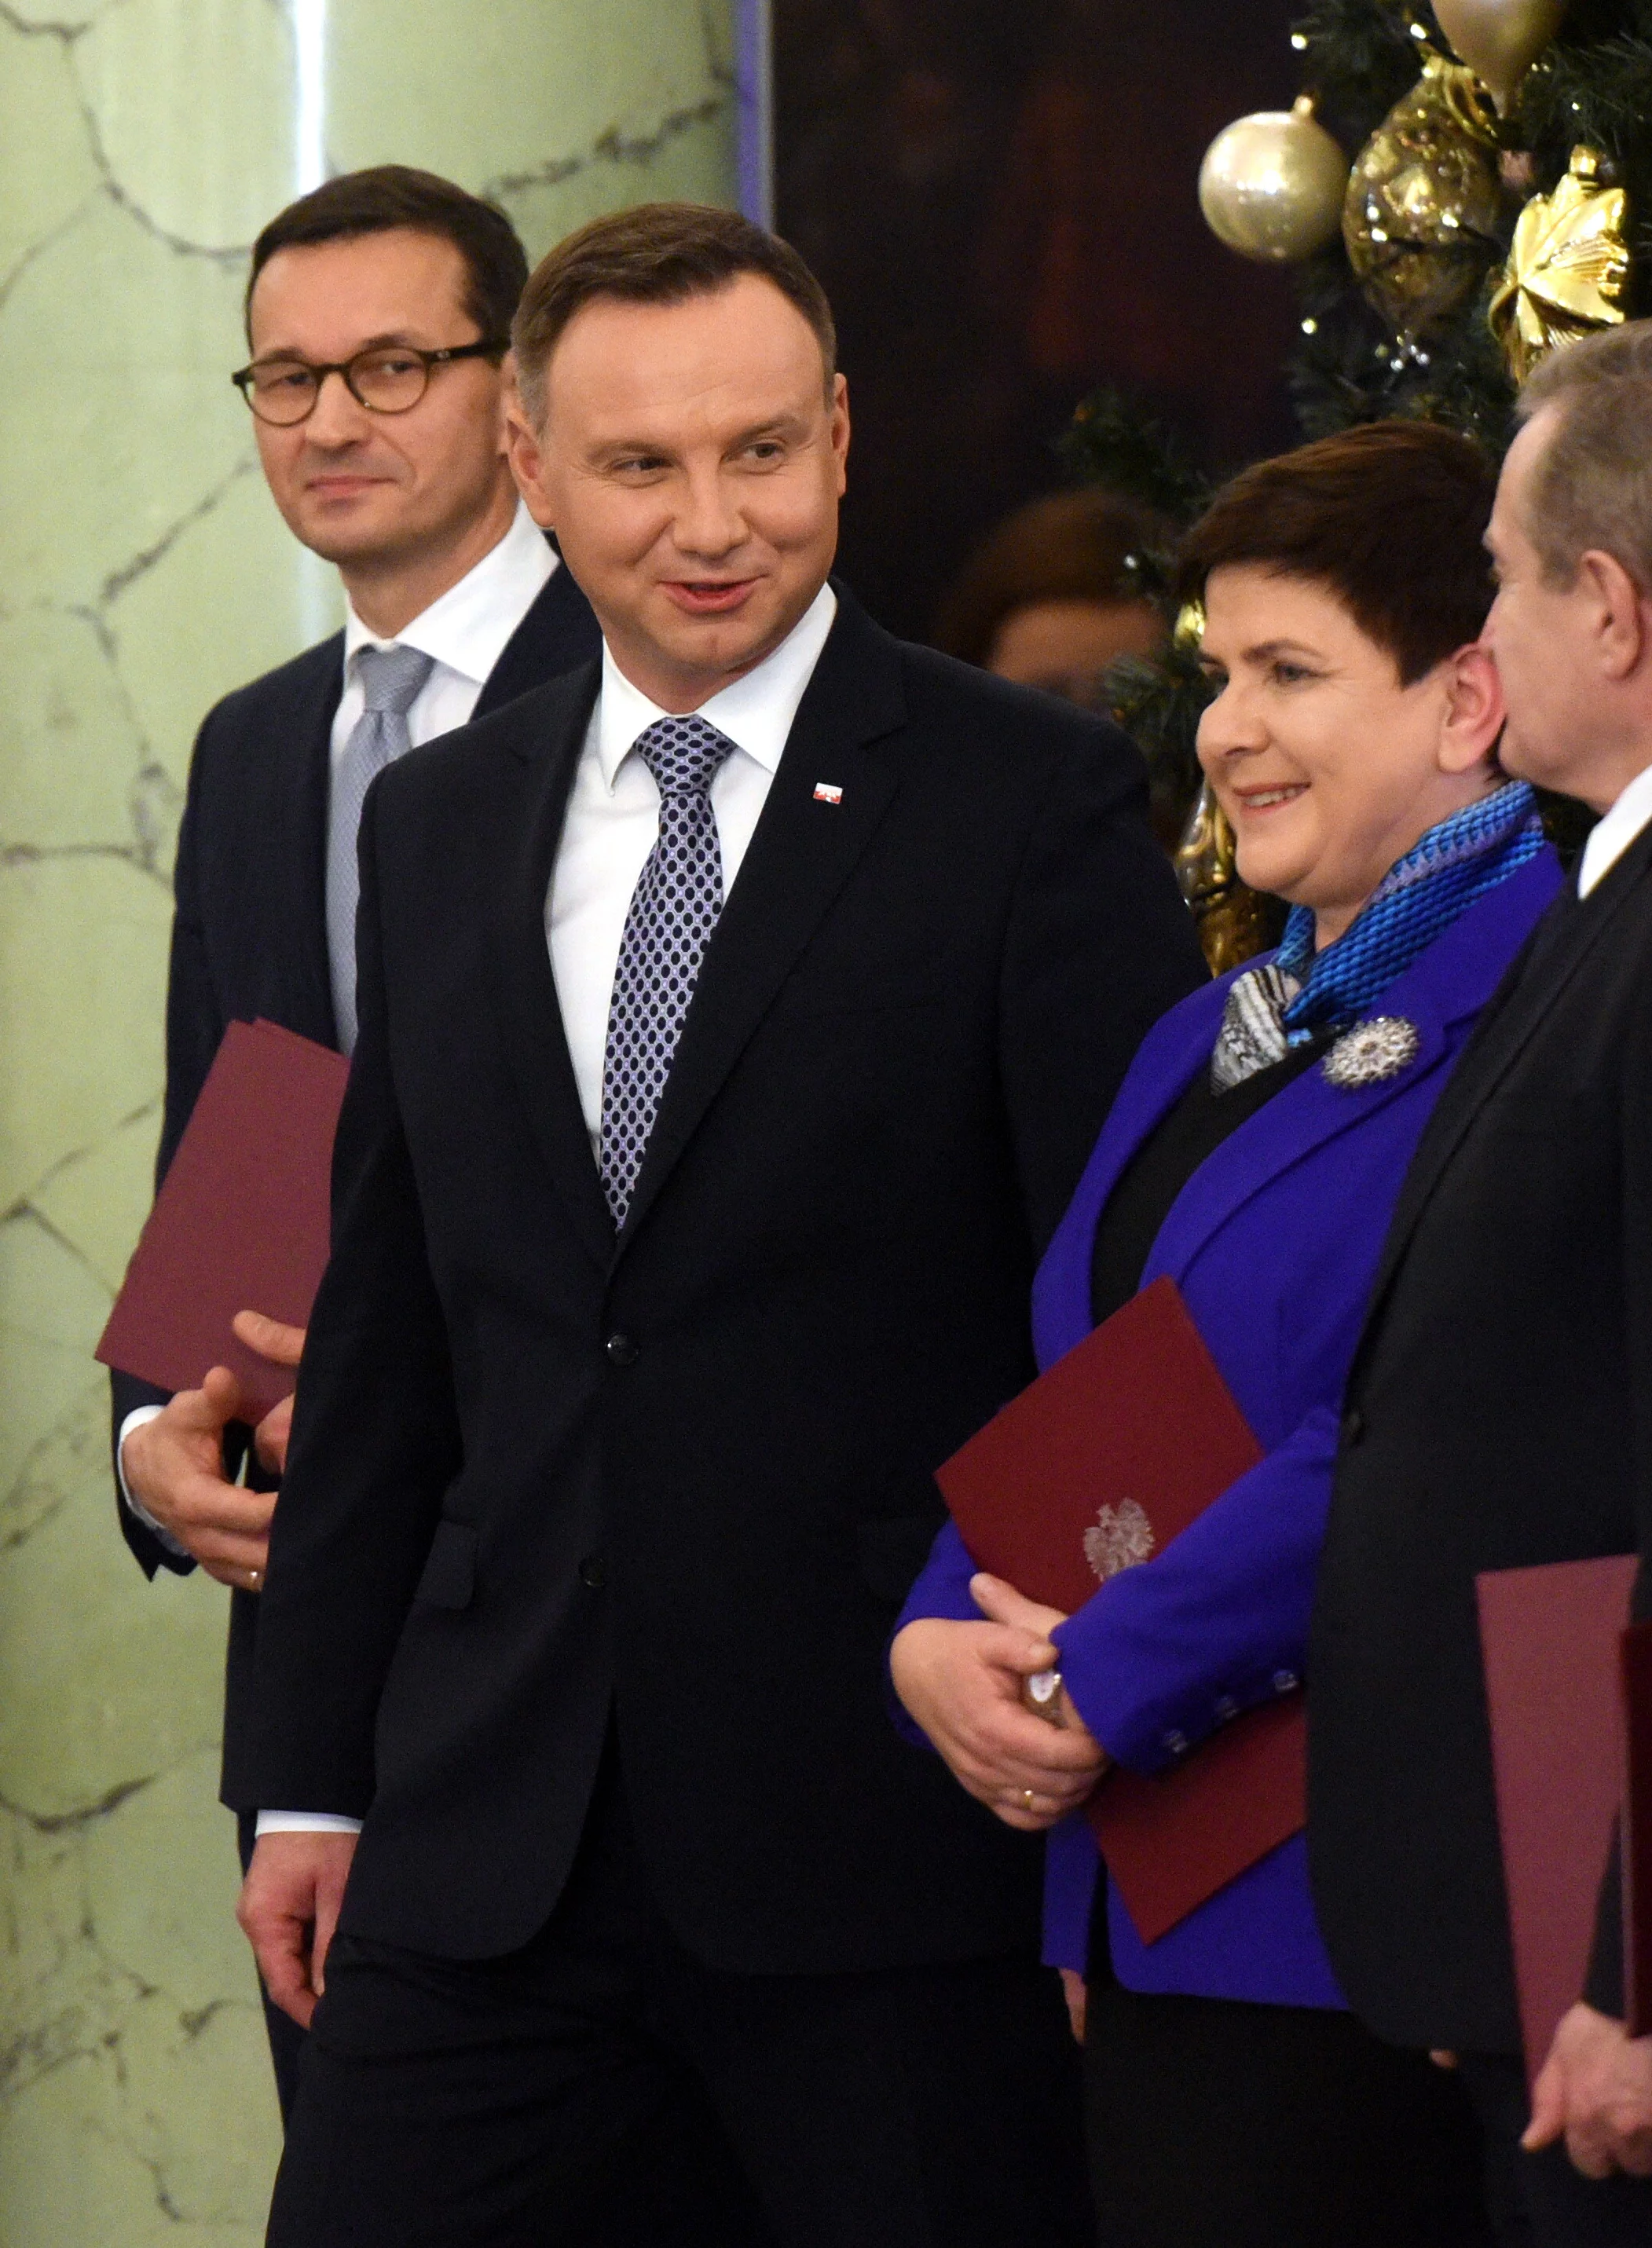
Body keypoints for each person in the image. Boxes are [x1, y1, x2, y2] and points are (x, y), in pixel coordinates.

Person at [228, 201, 1205, 2247]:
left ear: (840, 438)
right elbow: (402, 1329)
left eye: (759, 450)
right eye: (641, 463)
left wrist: (1096, 1773)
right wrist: (311, 1772)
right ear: (532, 467)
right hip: (488, 1847)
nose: (711, 519)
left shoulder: (1023, 803)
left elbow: (1129, 1319)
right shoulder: (441, 821)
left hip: (882, 1850)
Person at [892, 420, 1566, 2247]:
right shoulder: (1208, 1031)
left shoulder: (1549, 1003)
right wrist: (941, 1627)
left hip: (1366, 1909)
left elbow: (1414, 1428)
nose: (1221, 731)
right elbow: (1080, 1396)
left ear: (1466, 700)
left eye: (1287, 673)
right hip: (1147, 1894)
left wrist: (1102, 1677)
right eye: (1214, 674)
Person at [108, 163, 601, 2114]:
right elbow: (231, 1149)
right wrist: (162, 1435)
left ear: (512, 394)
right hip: (323, 1646)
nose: (330, 420)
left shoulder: (648, 688)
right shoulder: (254, 743)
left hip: (582, 1615)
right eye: (286, 379)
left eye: (391, 365)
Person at [1311, 330, 1652, 2245]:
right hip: (1523, 1930)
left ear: (1602, 606)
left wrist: (1637, 1970)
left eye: (1506, 583)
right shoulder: (1601, 891)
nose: (1485, 635)